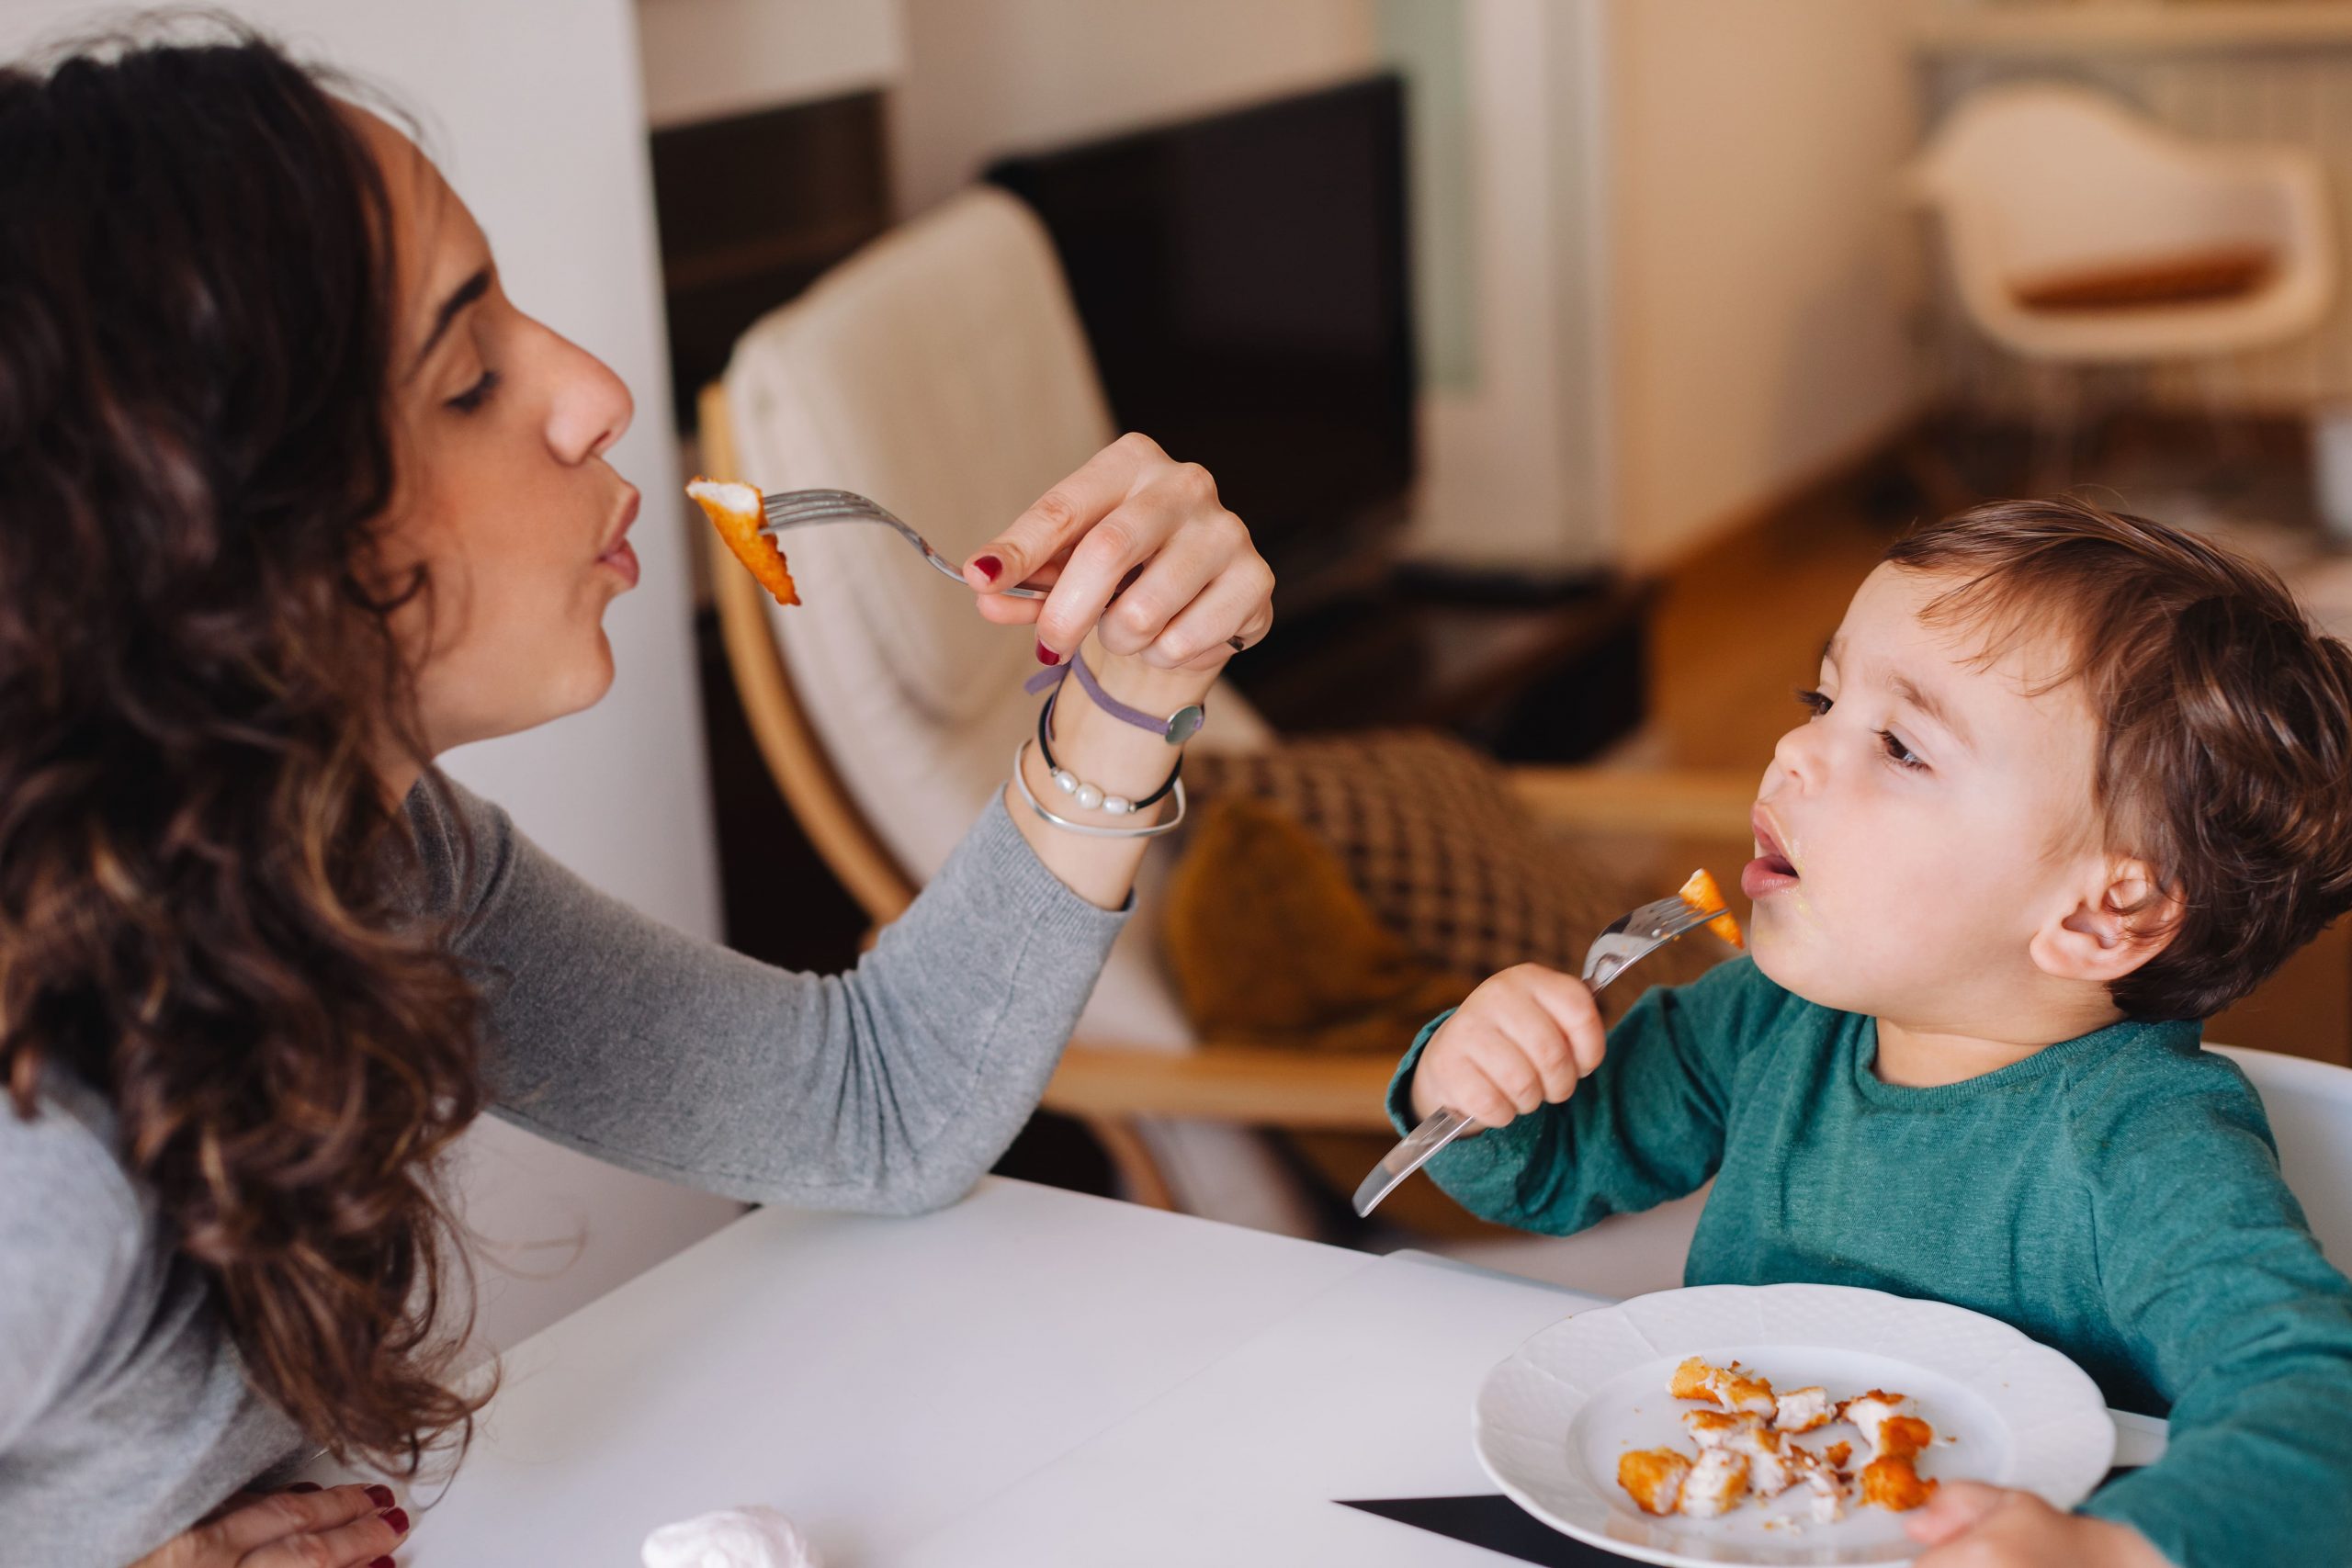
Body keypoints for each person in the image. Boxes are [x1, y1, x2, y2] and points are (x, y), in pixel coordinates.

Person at [0, 23, 1273, 1568]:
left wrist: (1131, 693)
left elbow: (879, 1105)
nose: (598, 392)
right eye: (470, 377)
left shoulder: (380, 856)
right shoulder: (44, 1141)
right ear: (217, 536)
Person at [1392, 498, 2352, 1567]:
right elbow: (1552, 1173)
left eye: (1898, 744)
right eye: (1822, 696)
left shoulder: (2145, 1146)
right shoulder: (1768, 1016)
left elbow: (2315, 1402)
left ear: (2098, 917)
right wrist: (1475, 1078)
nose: (1795, 748)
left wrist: (2117, 1552)